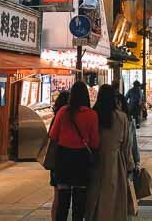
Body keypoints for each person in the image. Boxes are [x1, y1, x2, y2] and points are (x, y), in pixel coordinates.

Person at [49, 81, 100, 221]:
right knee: (79, 200)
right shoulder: (92, 115)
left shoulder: (63, 112)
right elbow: (95, 142)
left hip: (63, 157)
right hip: (81, 159)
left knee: (63, 199)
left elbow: (53, 135)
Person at [86, 85, 134, 221]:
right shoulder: (121, 117)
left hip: (95, 161)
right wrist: (130, 165)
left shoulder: (93, 114)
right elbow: (126, 145)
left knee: (95, 195)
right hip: (115, 162)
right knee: (113, 198)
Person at [49, 91, 70, 220]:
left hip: (57, 160)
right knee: (61, 196)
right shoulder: (64, 116)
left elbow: (51, 136)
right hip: (63, 159)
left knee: (58, 195)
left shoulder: (56, 117)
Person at [116, 93, 140, 172]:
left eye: (119, 104)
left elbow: (134, 143)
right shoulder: (110, 123)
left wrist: (137, 161)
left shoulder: (129, 122)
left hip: (127, 162)